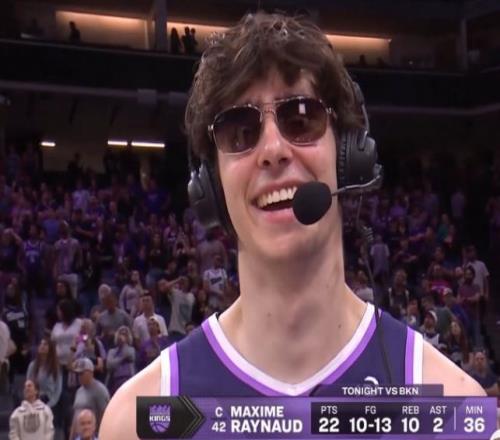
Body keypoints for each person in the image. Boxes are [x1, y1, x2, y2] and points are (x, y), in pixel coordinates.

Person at [101, 11, 485, 438]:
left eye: (300, 119)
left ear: (349, 156)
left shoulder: (454, 411)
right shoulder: (138, 421)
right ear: (211, 184)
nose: (273, 149)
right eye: (240, 132)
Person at [72, 358, 109, 436]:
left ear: (91, 373)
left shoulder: (99, 390)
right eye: (78, 374)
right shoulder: (79, 391)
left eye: (82, 373)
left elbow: (105, 416)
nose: (79, 377)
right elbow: (75, 417)